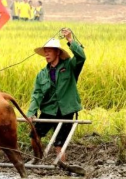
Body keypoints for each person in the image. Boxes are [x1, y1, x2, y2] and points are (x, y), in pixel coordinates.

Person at [27, 29, 85, 163]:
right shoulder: (42, 74)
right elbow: (37, 94)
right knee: (34, 137)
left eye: (50, 50)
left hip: (66, 110)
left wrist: (70, 40)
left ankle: (63, 167)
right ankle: (37, 160)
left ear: (57, 52)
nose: (46, 53)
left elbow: (81, 57)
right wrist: (31, 112)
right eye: (45, 51)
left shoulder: (70, 66)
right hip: (49, 110)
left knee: (59, 145)